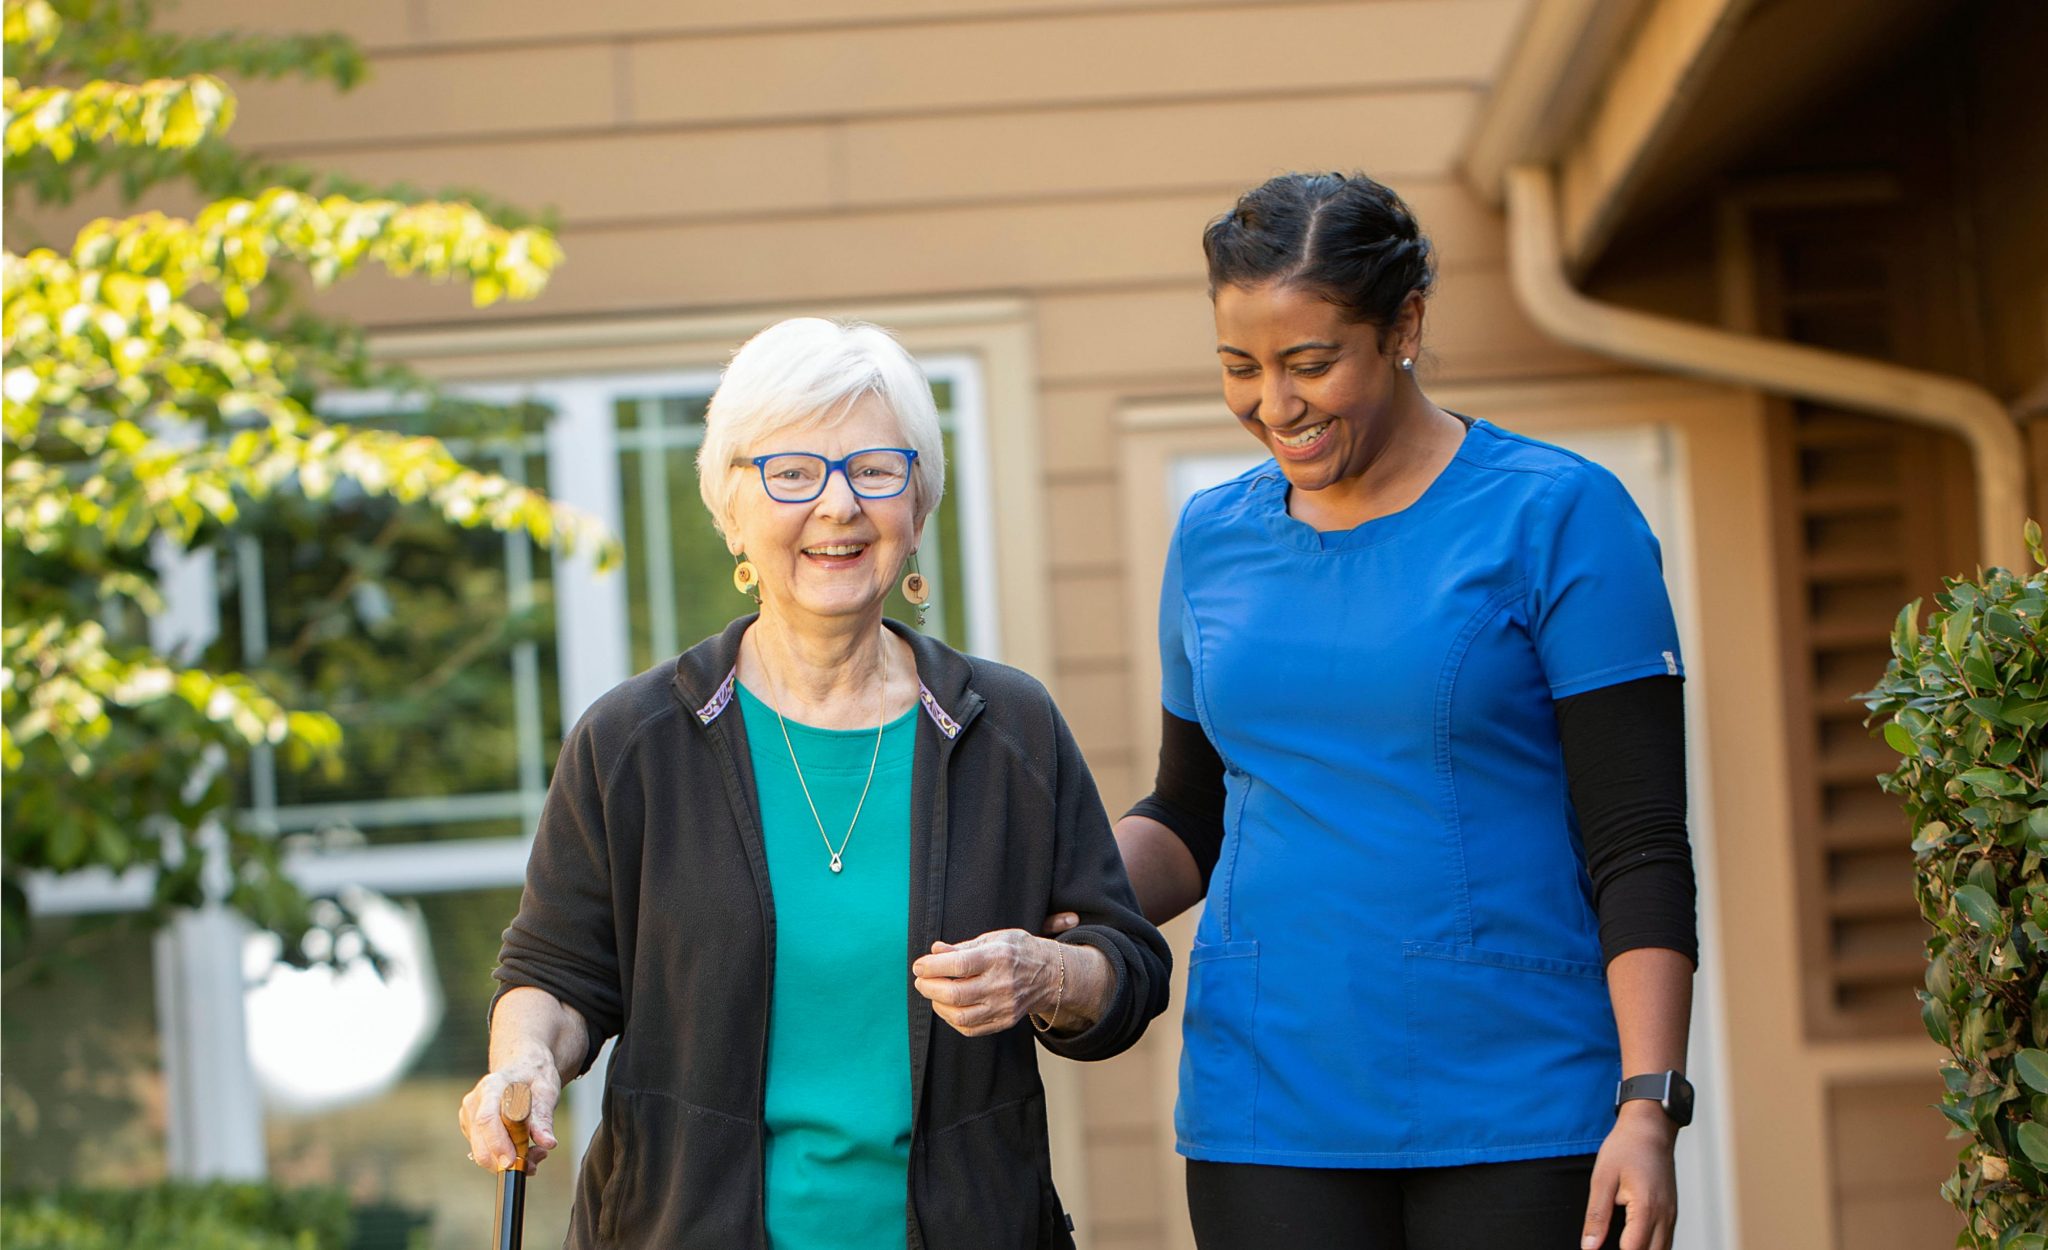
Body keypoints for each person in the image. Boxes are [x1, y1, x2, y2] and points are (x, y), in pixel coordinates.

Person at [1070, 172, 1698, 1250]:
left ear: (1402, 326)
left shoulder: (1557, 513)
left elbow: (1636, 842)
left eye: (1311, 362)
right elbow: (1188, 815)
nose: (1274, 403)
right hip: (1264, 1110)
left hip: (1515, 1104)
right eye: (1239, 366)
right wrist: (1042, 900)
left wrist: (1647, 1103)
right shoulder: (1210, 539)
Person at [457, 317, 1170, 1250]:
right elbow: (555, 978)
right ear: (733, 507)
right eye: (792, 473)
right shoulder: (635, 743)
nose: (838, 506)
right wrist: (523, 1064)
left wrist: (1045, 972)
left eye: (875, 469)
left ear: (917, 505)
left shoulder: (1009, 728)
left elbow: (1128, 967)